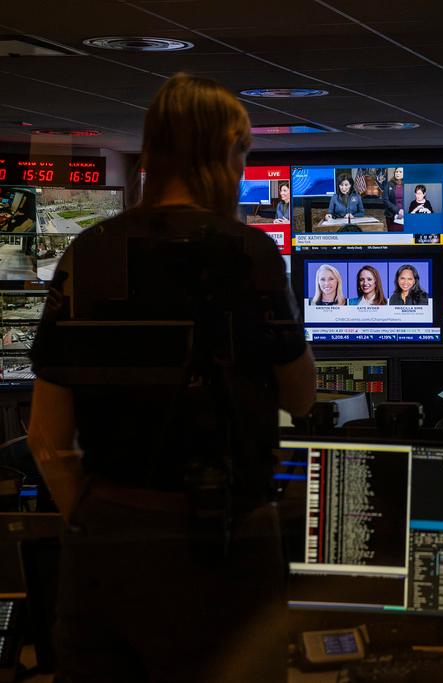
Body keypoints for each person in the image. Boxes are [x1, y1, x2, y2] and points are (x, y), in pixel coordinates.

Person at [26, 73, 315, 683]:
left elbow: (48, 438)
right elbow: (303, 396)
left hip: (106, 540)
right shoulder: (249, 254)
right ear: (225, 148)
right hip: (227, 537)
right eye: (243, 154)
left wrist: (100, 515)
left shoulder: (88, 252)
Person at [382, 167, 404, 232]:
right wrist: (397, 210)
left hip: (404, 215)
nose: (398, 173)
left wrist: (403, 210)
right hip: (391, 215)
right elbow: (385, 199)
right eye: (396, 172)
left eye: (400, 172)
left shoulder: (407, 184)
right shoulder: (389, 184)